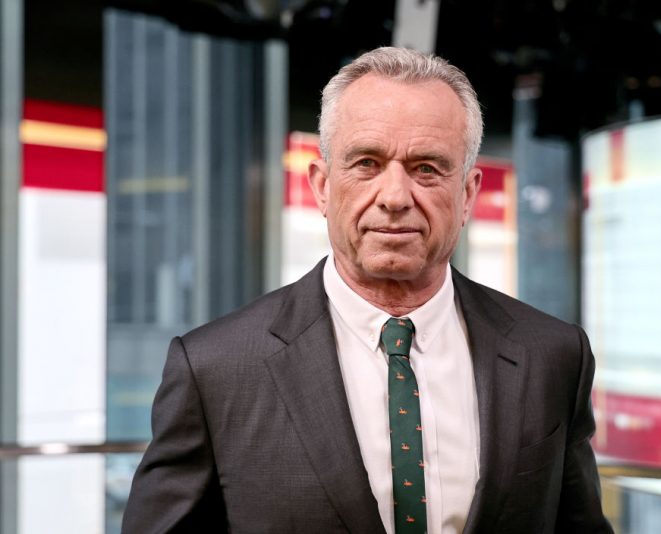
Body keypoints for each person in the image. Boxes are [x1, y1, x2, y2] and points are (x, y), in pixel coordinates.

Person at [123, 46, 612, 534]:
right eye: (367, 163)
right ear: (322, 186)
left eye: (427, 168)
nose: (396, 197)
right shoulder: (216, 369)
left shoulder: (552, 356)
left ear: (466, 195)